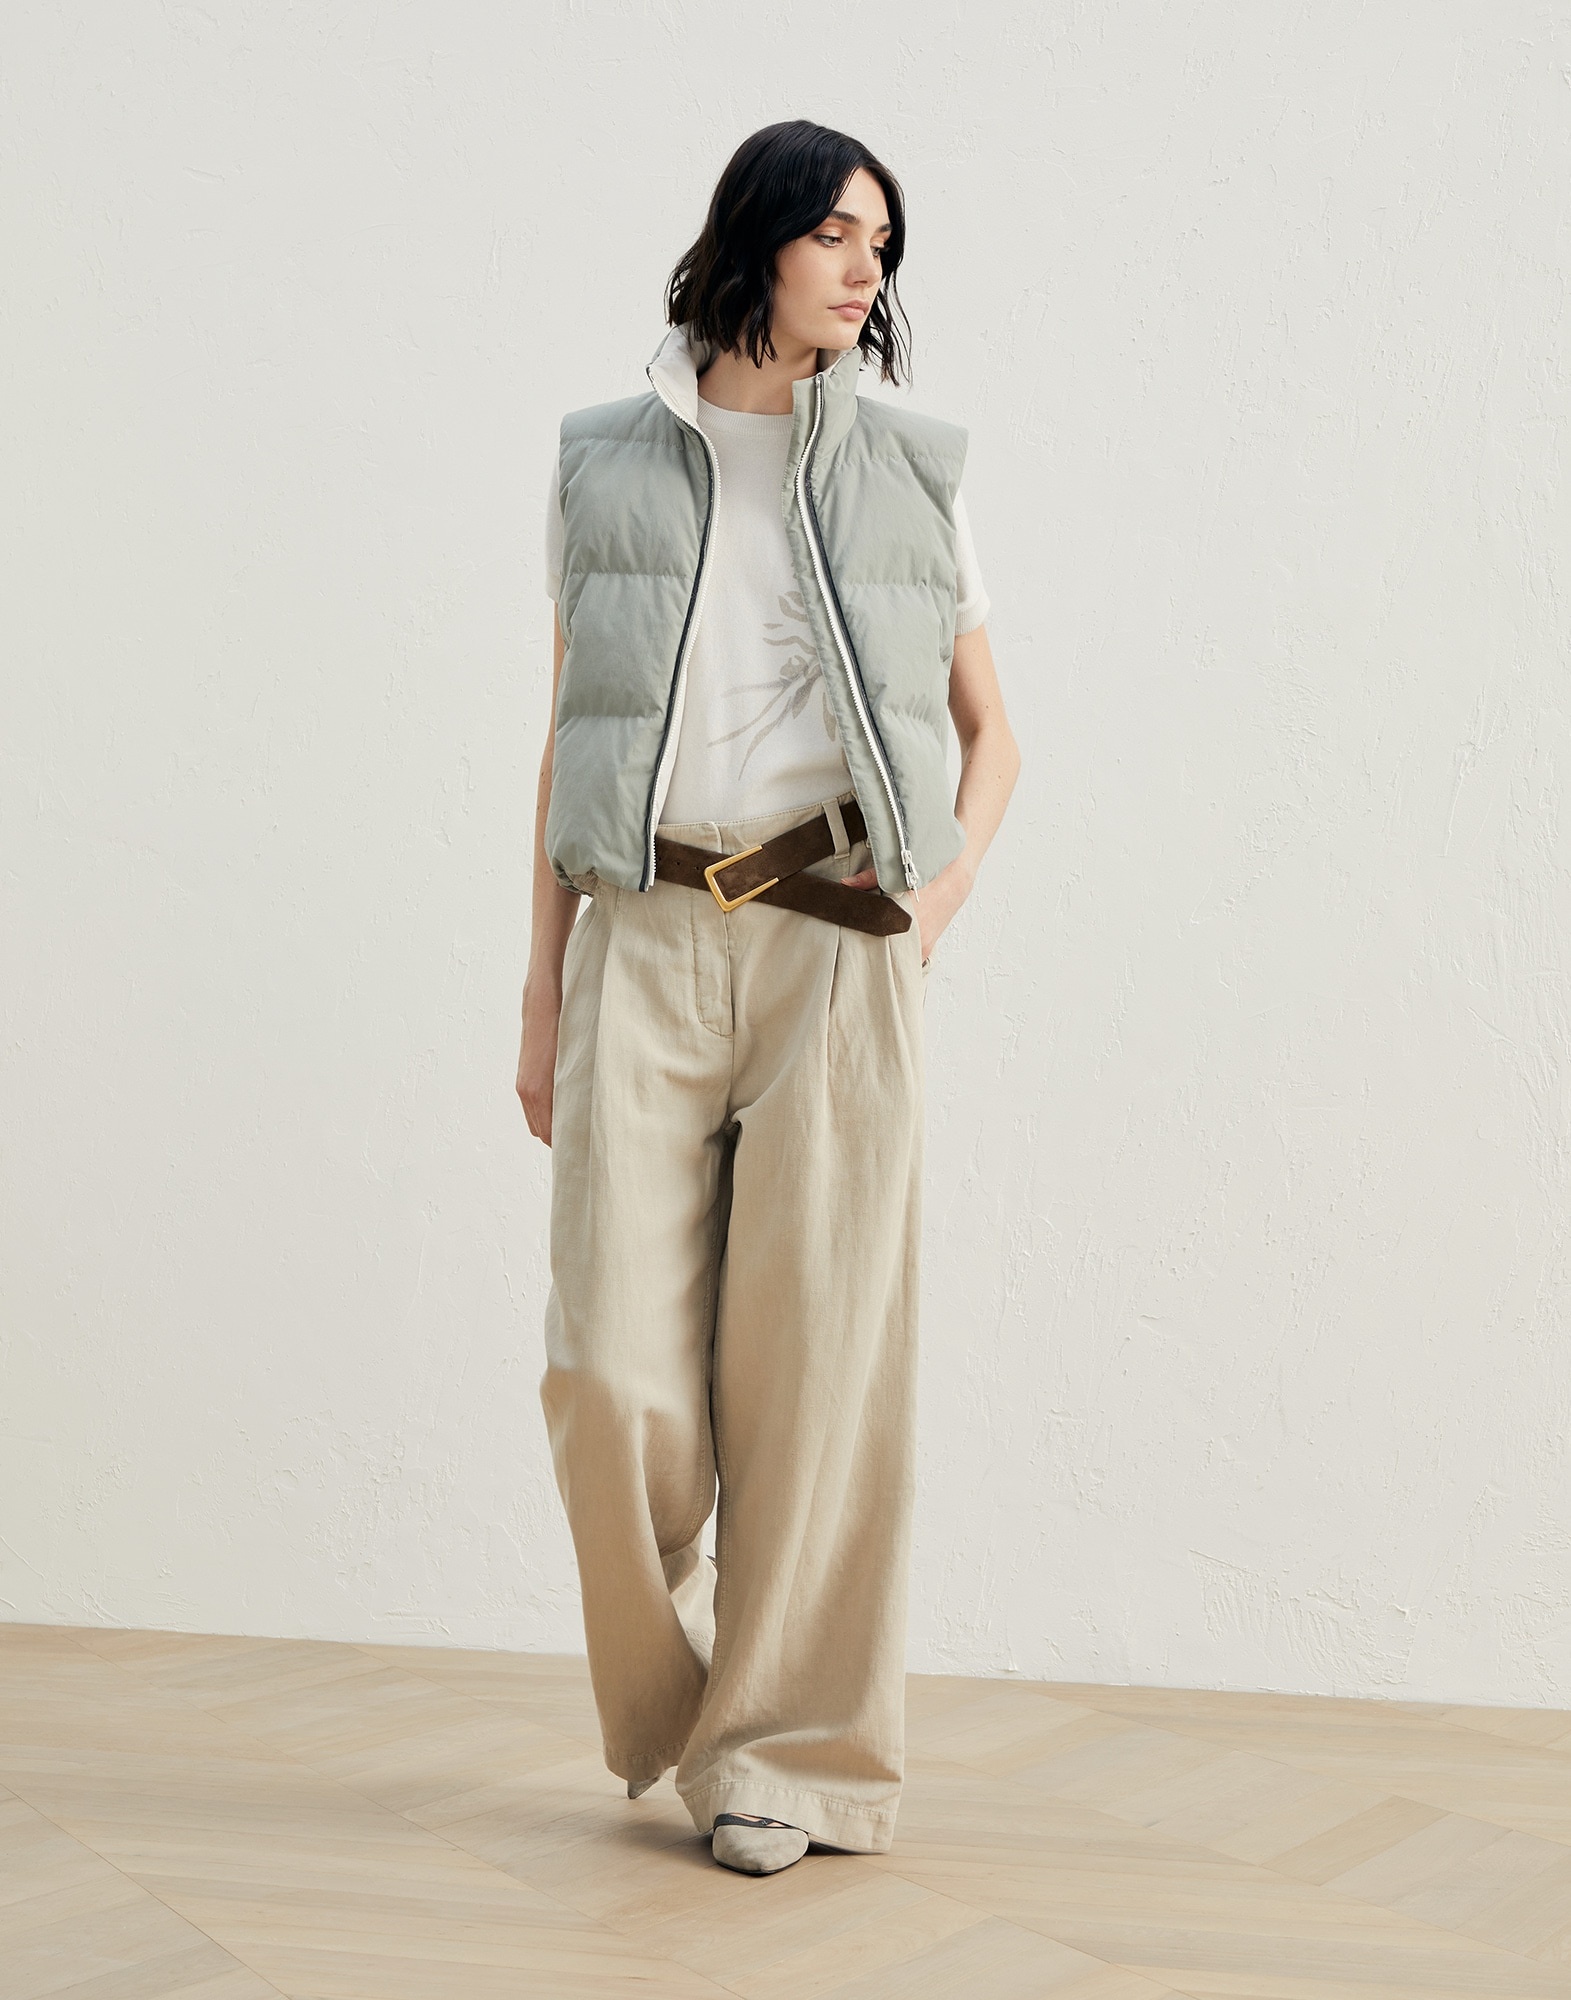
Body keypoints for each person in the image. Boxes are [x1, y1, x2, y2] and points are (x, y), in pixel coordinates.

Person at [516, 118, 1020, 1877]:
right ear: (757, 238)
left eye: (884, 241)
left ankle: (786, 1766)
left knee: (820, 1373)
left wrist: (935, 904)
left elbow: (993, 734)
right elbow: (569, 739)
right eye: (837, 233)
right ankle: (689, 1707)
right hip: (646, 930)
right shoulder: (602, 460)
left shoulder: (908, 471)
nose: (867, 267)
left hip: (837, 937)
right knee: (611, 1377)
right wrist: (539, 994)